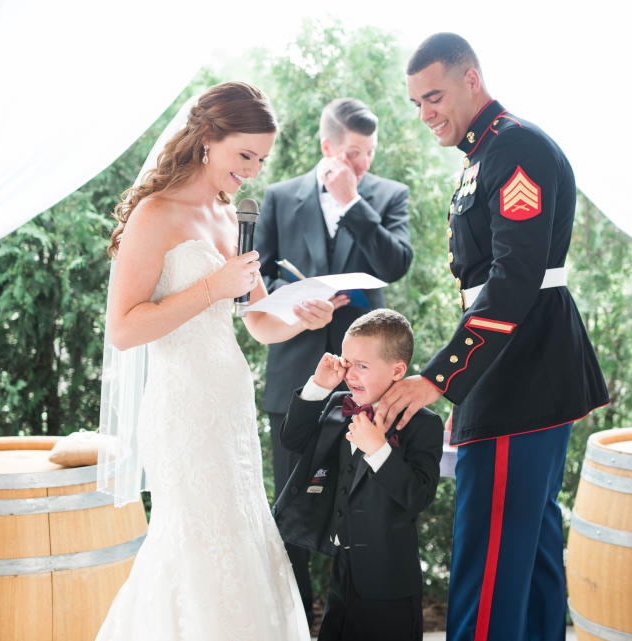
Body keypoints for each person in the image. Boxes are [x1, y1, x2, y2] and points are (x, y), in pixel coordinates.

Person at [376, 33, 610, 641]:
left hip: (521, 375)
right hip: (509, 372)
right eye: (416, 103)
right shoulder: (485, 156)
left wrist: (440, 378)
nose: (426, 113)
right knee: (528, 555)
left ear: (471, 79)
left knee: (490, 567)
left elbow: (513, 280)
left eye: (434, 96)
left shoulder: (516, 148)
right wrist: (465, 389)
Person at [95, 81, 333, 641]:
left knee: (241, 536)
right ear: (207, 137)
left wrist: (301, 317)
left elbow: (254, 320)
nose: (252, 171)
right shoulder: (156, 214)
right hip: (182, 408)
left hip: (230, 405)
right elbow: (125, 329)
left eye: (262, 159)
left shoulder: (231, 217)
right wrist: (211, 288)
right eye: (244, 155)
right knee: (195, 542)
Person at [254, 97, 412, 622]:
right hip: (296, 375)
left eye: (369, 153)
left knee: (367, 508)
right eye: (352, 153)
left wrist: (353, 204)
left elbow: (395, 264)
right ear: (328, 148)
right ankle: (297, 622)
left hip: (368, 383)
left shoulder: (388, 196)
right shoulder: (279, 196)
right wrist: (298, 300)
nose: (363, 163)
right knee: (292, 508)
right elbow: (261, 276)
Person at [272, 309, 443, 641]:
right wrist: (319, 386)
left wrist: (379, 450)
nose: (351, 375)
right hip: (343, 575)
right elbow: (293, 440)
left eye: (362, 366)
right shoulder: (338, 403)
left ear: (398, 370)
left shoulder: (424, 424)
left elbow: (417, 496)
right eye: (347, 363)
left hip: (389, 584)